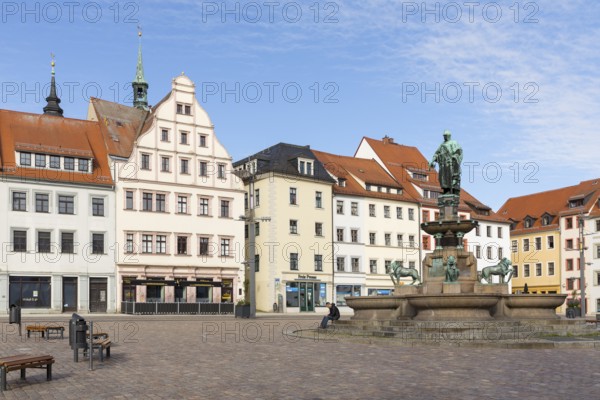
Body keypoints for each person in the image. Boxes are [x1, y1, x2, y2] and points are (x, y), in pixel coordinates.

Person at [429, 130, 463, 195]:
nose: (445, 137)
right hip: (443, 164)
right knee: (442, 177)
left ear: (449, 136)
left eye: (446, 136)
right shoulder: (442, 144)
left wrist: (454, 157)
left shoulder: (453, 142)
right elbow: (436, 153)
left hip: (450, 163)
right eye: (444, 136)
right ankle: (445, 190)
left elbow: (459, 152)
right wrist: (432, 160)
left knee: (449, 176)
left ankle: (450, 191)